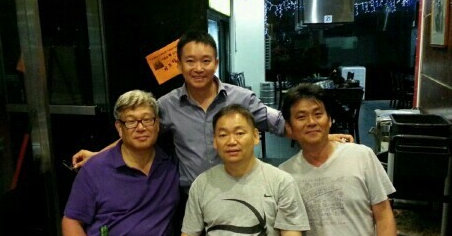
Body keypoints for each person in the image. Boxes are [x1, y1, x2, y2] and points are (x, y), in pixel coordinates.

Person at [72, 31, 352, 193]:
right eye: (190, 61)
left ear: (215, 63)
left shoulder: (241, 98)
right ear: (179, 65)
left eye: (205, 61)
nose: (198, 68)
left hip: (240, 190)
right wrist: (98, 155)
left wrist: (321, 137)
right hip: (189, 195)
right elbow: (137, 132)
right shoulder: (167, 104)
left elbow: (280, 123)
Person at [279, 84, 397, 236]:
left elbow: (384, 216)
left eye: (318, 114)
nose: (311, 122)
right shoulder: (285, 174)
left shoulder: (362, 156)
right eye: (301, 117)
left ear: (330, 120)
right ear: (289, 127)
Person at [177, 104, 308, 236]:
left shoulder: (281, 182)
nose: (231, 141)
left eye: (239, 133)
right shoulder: (202, 184)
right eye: (223, 135)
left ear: (255, 136)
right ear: (214, 142)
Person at [62, 90, 179, 236]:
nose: (140, 128)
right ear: (119, 127)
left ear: (157, 124)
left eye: (147, 119)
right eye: (131, 121)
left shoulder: (170, 166)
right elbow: (71, 222)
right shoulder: (95, 169)